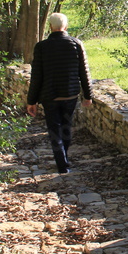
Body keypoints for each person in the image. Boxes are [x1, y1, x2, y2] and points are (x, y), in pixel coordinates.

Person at [26, 12, 93, 174]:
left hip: (50, 95)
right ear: (66, 27)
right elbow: (84, 72)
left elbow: (37, 76)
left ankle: (62, 164)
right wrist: (88, 95)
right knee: (66, 126)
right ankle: (64, 160)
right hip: (70, 94)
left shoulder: (41, 47)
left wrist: (31, 101)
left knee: (54, 129)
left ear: (50, 27)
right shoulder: (76, 44)